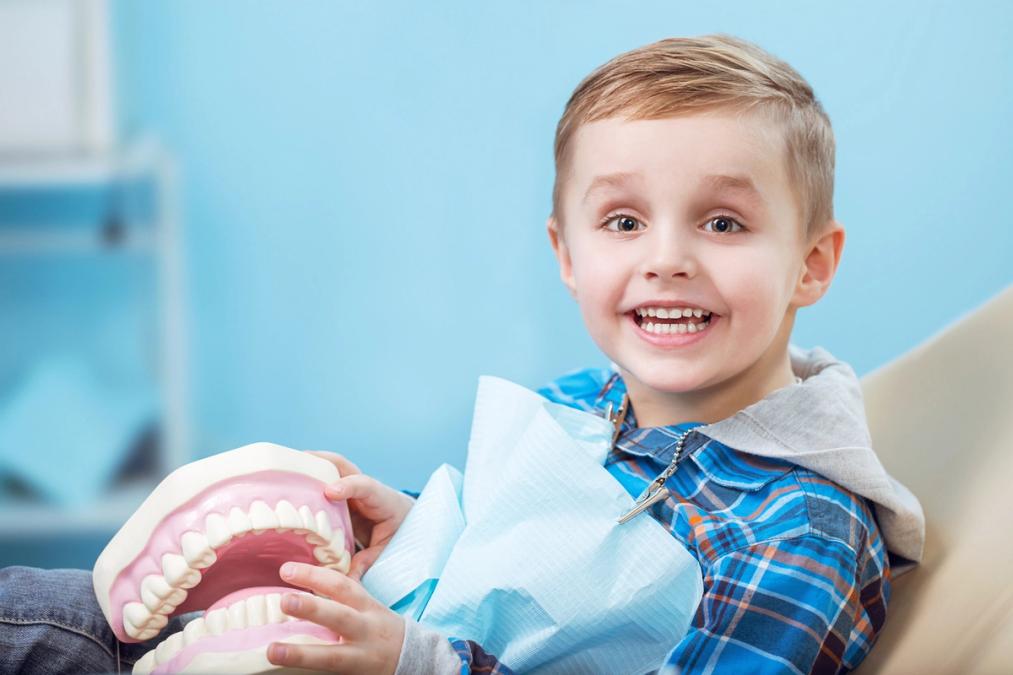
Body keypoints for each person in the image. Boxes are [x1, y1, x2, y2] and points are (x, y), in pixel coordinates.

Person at [0, 33, 924, 675]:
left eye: (722, 221)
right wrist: (416, 530)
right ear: (566, 255)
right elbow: (518, 577)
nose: (666, 257)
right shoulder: (579, 403)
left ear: (811, 264)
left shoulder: (799, 532)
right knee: (49, 612)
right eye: (622, 220)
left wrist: (418, 661)